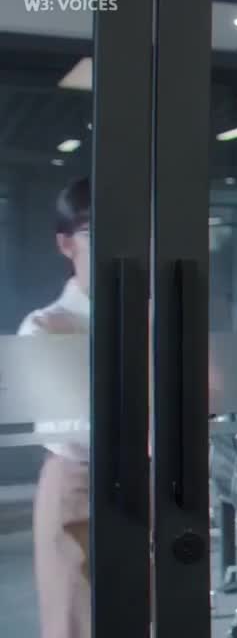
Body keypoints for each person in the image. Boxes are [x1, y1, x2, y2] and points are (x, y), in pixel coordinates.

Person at [19, 177, 91, 638]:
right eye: (97, 232)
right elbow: (78, 426)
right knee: (76, 622)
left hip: (149, 485)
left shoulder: (153, 315)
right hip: (78, 485)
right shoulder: (46, 326)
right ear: (66, 244)